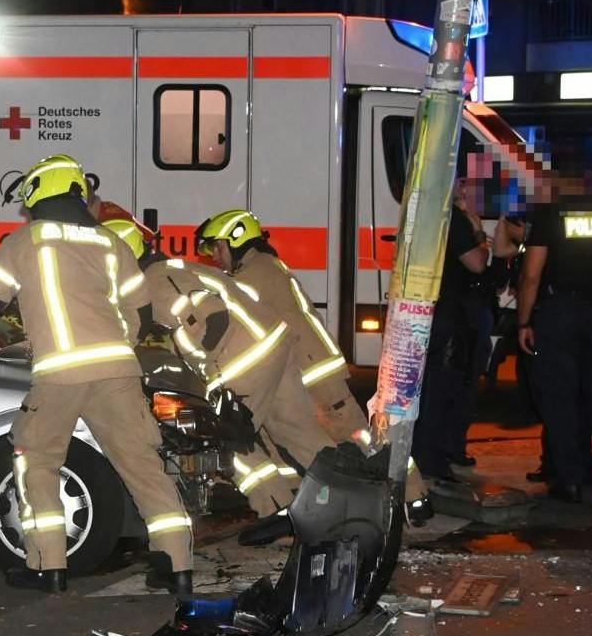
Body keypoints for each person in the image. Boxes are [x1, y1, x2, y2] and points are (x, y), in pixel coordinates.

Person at [0, 155, 192, 594]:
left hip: (58, 377)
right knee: (142, 466)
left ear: (38, 194)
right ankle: (177, 565)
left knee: (36, 460)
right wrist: (119, 345)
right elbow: (140, 312)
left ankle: (49, 566)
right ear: (76, 193)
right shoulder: (112, 245)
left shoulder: (22, 245)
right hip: (117, 372)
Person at [196, 208, 432, 516]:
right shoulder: (264, 267)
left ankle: (413, 495)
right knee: (293, 437)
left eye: (217, 246)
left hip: (312, 370)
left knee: (359, 435)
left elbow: (228, 308)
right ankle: (308, 502)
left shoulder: (255, 274)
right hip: (305, 368)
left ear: (237, 240)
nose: (215, 255)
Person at [103, 218, 322, 521]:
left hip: (244, 360)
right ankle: (347, 491)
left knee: (226, 441)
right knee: (297, 429)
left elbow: (214, 317)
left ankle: (276, 512)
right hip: (273, 345)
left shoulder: (155, 281)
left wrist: (207, 368)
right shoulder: (176, 268)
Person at [516, 180, 592, 503]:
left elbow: (531, 275)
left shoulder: (551, 214)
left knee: (560, 398)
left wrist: (524, 321)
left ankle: (571, 479)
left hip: (559, 314)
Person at [414, 178, 492, 484]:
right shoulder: (456, 220)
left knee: (433, 389)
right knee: (443, 390)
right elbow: (477, 264)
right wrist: (480, 235)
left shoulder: (431, 214)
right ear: (458, 187)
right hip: (449, 314)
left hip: (432, 309)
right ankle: (432, 460)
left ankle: (432, 453)